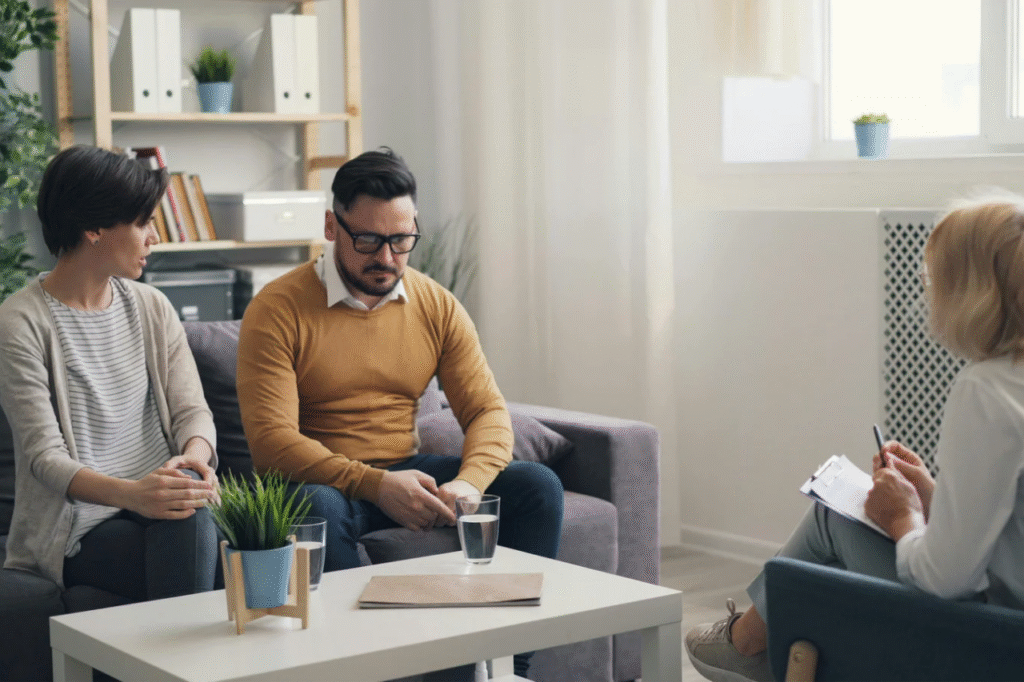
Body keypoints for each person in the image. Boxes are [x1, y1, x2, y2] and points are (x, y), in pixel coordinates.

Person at [236, 147, 564, 676]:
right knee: (315, 504)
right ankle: (366, 668)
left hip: (404, 471)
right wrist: (374, 485)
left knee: (535, 487)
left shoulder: (435, 303)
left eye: (401, 240)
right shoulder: (277, 308)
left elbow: (486, 412)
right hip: (322, 480)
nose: (387, 258)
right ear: (330, 226)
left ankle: (508, 668)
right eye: (368, 239)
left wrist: (469, 484)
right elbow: (272, 444)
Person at [685, 193, 1024, 682]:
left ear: (971, 291)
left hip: (996, 638)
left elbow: (946, 579)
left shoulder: (988, 390)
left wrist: (904, 515)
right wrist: (933, 495)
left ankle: (746, 645)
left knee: (833, 514)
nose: (928, 298)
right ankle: (752, 644)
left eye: (934, 282)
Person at [0, 145, 220, 603]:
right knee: (193, 533)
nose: (154, 237)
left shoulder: (151, 306)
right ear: (94, 228)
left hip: (162, 503)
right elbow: (45, 458)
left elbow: (192, 412)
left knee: (197, 520)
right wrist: (135, 495)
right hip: (81, 524)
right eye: (143, 223)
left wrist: (194, 461)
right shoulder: (20, 321)